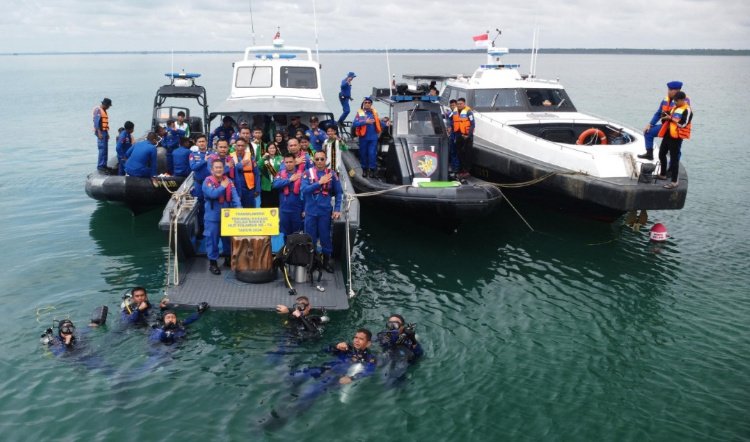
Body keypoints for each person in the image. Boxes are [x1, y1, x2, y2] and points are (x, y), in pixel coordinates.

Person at [301, 150, 342, 273]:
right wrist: (319, 183)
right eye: (317, 159)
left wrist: (337, 209)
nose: (319, 161)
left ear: (326, 160)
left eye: (322, 159)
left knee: (325, 237)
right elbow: (304, 190)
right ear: (314, 160)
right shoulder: (307, 174)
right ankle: (312, 261)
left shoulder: (332, 174)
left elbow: (339, 193)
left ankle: (326, 261)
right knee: (310, 238)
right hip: (310, 213)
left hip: (324, 212)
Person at [203, 158, 241, 275]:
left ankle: (228, 259)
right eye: (216, 168)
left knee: (227, 239)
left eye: (221, 167)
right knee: (212, 240)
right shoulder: (207, 181)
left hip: (227, 216)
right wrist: (223, 187)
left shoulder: (228, 181)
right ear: (212, 169)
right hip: (212, 217)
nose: (219, 169)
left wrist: (239, 210)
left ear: (224, 168)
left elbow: (235, 197)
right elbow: (212, 194)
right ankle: (213, 263)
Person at [639, 81, 691, 160]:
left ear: (677, 90)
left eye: (670, 90)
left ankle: (673, 168)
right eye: (668, 89)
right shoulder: (666, 99)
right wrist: (650, 124)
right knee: (648, 132)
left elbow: (682, 118)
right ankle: (649, 154)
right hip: (665, 126)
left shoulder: (683, 101)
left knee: (675, 150)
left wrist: (669, 117)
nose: (668, 91)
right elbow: (658, 113)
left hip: (676, 129)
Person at [656, 91, 692, 189]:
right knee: (661, 154)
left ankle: (674, 181)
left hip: (676, 138)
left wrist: (671, 118)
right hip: (668, 135)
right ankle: (663, 174)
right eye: (674, 101)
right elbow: (667, 117)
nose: (675, 103)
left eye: (676, 101)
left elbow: (683, 124)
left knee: (674, 159)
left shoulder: (687, 110)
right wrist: (664, 116)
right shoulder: (674, 108)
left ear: (682, 100)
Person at [272, 153, 305, 235]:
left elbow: (306, 193)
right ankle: (286, 248)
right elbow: (275, 185)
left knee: (297, 233)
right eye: (286, 162)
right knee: (285, 233)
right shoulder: (280, 173)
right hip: (284, 208)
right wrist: (289, 180)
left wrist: (305, 209)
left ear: (295, 162)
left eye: (290, 162)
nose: (288, 164)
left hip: (297, 208)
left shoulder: (302, 174)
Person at [352, 97, 382, 178]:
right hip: (363, 138)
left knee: (372, 154)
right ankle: (364, 169)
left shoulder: (374, 113)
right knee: (363, 154)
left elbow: (379, 123)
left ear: (371, 104)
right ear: (363, 104)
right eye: (366, 102)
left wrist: (386, 124)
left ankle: (372, 170)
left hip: (373, 138)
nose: (367, 104)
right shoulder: (360, 113)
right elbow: (354, 124)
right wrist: (365, 122)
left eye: (369, 102)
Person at [189, 134, 212, 235]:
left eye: (203, 141)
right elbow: (193, 167)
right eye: (200, 141)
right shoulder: (193, 155)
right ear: (196, 143)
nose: (202, 143)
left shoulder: (212, 154)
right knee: (200, 206)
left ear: (206, 142)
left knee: (212, 204)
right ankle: (201, 229)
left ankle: (212, 227)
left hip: (211, 184)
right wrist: (204, 161)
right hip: (199, 184)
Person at [229, 138, 260, 208]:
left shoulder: (251, 158)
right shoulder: (230, 157)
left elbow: (256, 173)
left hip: (249, 188)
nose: (240, 148)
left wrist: (257, 189)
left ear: (245, 146)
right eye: (238, 145)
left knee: (250, 210)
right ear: (235, 146)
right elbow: (228, 171)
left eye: (242, 146)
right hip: (235, 188)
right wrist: (240, 165)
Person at [451, 97, 475, 177]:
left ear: (464, 104)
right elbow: (450, 120)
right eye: (458, 104)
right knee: (459, 153)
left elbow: (472, 124)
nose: (459, 105)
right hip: (458, 135)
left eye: (461, 104)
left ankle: (466, 171)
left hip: (467, 136)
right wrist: (449, 126)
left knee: (467, 154)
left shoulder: (468, 112)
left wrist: (468, 135)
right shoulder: (455, 111)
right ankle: (460, 170)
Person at [260, 142, 283, 208]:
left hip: (277, 184)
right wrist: (263, 158)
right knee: (266, 205)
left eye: (273, 148)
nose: (272, 150)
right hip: (266, 185)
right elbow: (259, 166)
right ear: (267, 149)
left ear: (276, 149)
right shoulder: (265, 158)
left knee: (277, 205)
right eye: (270, 148)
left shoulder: (280, 158)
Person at [93, 98, 112, 171]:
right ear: (105, 104)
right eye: (108, 106)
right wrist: (99, 133)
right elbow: (96, 122)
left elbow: (105, 123)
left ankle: (104, 165)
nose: (109, 107)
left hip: (104, 132)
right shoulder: (98, 110)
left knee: (105, 149)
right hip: (100, 132)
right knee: (102, 149)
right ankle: (100, 166)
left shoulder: (104, 110)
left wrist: (107, 133)